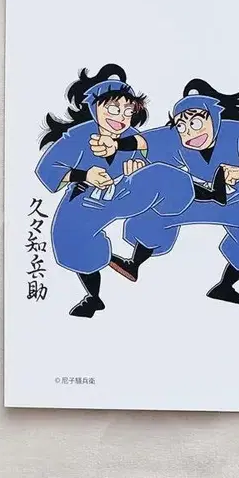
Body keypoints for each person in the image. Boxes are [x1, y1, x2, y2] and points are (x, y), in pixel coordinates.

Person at [115, 81, 239, 305]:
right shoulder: (176, 137)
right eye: (181, 126)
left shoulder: (236, 132)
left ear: (213, 118)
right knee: (157, 214)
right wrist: (115, 145)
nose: (189, 132)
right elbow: (142, 142)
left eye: (195, 123)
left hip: (236, 196)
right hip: (198, 193)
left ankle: (225, 286)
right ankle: (133, 264)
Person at [36, 66, 195, 317]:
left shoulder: (133, 137)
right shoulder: (77, 137)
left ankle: (136, 259)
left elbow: (153, 154)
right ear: (95, 107)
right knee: (69, 239)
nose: (121, 117)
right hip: (86, 200)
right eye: (113, 108)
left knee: (162, 179)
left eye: (127, 111)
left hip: (124, 192)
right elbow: (48, 171)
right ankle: (93, 298)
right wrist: (83, 175)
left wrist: (139, 166)